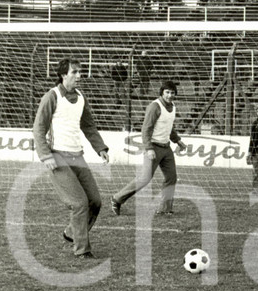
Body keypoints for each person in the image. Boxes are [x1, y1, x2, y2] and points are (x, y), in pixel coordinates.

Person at [32, 57, 110, 258]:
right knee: (79, 203)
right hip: (57, 157)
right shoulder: (52, 96)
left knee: (95, 201)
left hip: (78, 157)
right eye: (74, 72)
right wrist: (45, 155)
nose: (78, 76)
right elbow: (39, 127)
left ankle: (71, 232)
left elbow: (89, 125)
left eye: (80, 72)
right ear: (63, 74)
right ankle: (82, 250)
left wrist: (100, 148)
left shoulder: (81, 97)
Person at [110, 80, 187, 216]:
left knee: (171, 177)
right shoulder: (155, 107)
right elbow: (146, 129)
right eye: (167, 92)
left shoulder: (173, 107)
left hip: (166, 148)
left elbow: (169, 127)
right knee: (145, 178)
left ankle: (165, 209)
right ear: (162, 93)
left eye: (172, 93)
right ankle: (117, 199)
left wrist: (178, 141)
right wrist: (149, 148)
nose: (170, 95)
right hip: (154, 147)